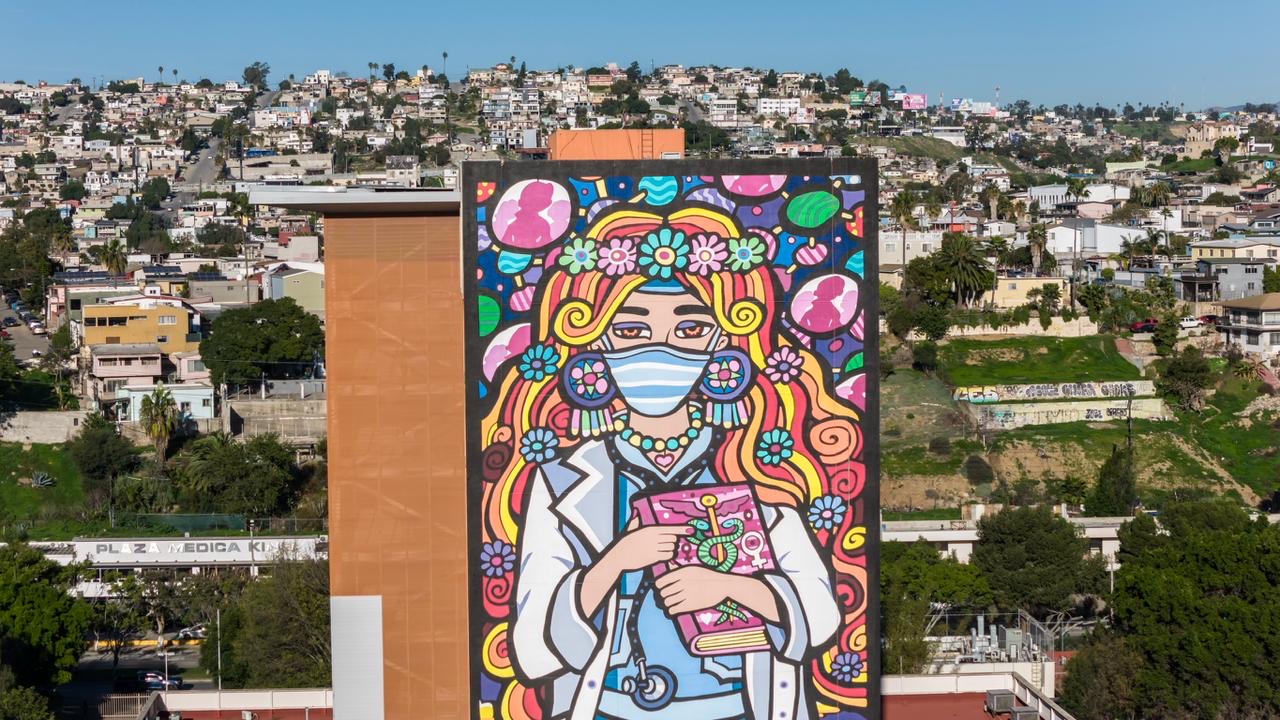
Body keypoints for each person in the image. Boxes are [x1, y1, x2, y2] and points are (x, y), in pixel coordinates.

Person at [481, 206, 866, 720]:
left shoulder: (756, 466)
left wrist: (733, 588)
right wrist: (616, 560)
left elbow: (821, 618)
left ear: (723, 342)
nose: (660, 348)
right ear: (594, 340)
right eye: (631, 330)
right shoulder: (560, 481)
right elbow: (532, 650)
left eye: (689, 329)